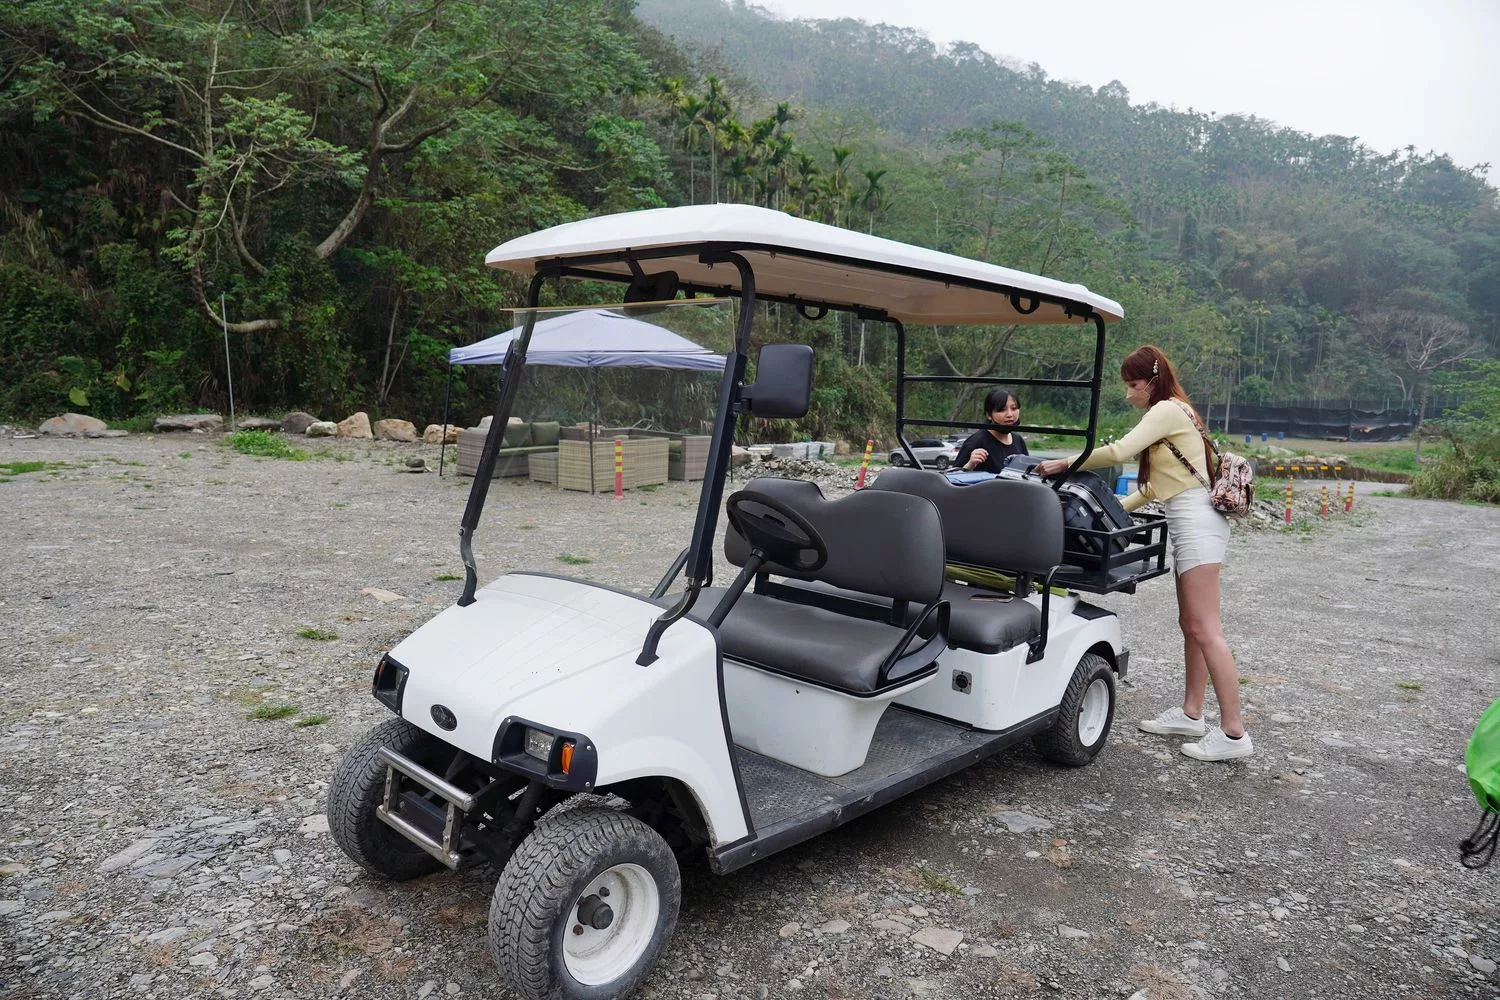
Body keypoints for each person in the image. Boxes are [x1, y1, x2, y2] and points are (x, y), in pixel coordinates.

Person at [1034, 345, 1250, 762]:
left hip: (1198, 524)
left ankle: (1234, 733)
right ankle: (1191, 713)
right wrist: (1115, 513)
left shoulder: (1167, 409)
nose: (1129, 394)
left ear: (1151, 382)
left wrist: (1064, 463)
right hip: (1191, 519)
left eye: (1132, 386)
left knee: (1206, 628)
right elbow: (1154, 488)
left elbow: (1118, 454)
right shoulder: (1177, 411)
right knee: (1191, 624)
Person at [955, 388, 1028, 474]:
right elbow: (952, 478)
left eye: (1014, 408)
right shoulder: (977, 441)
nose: (1009, 414)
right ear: (989, 415)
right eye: (1002, 410)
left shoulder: (1018, 440)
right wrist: (969, 465)